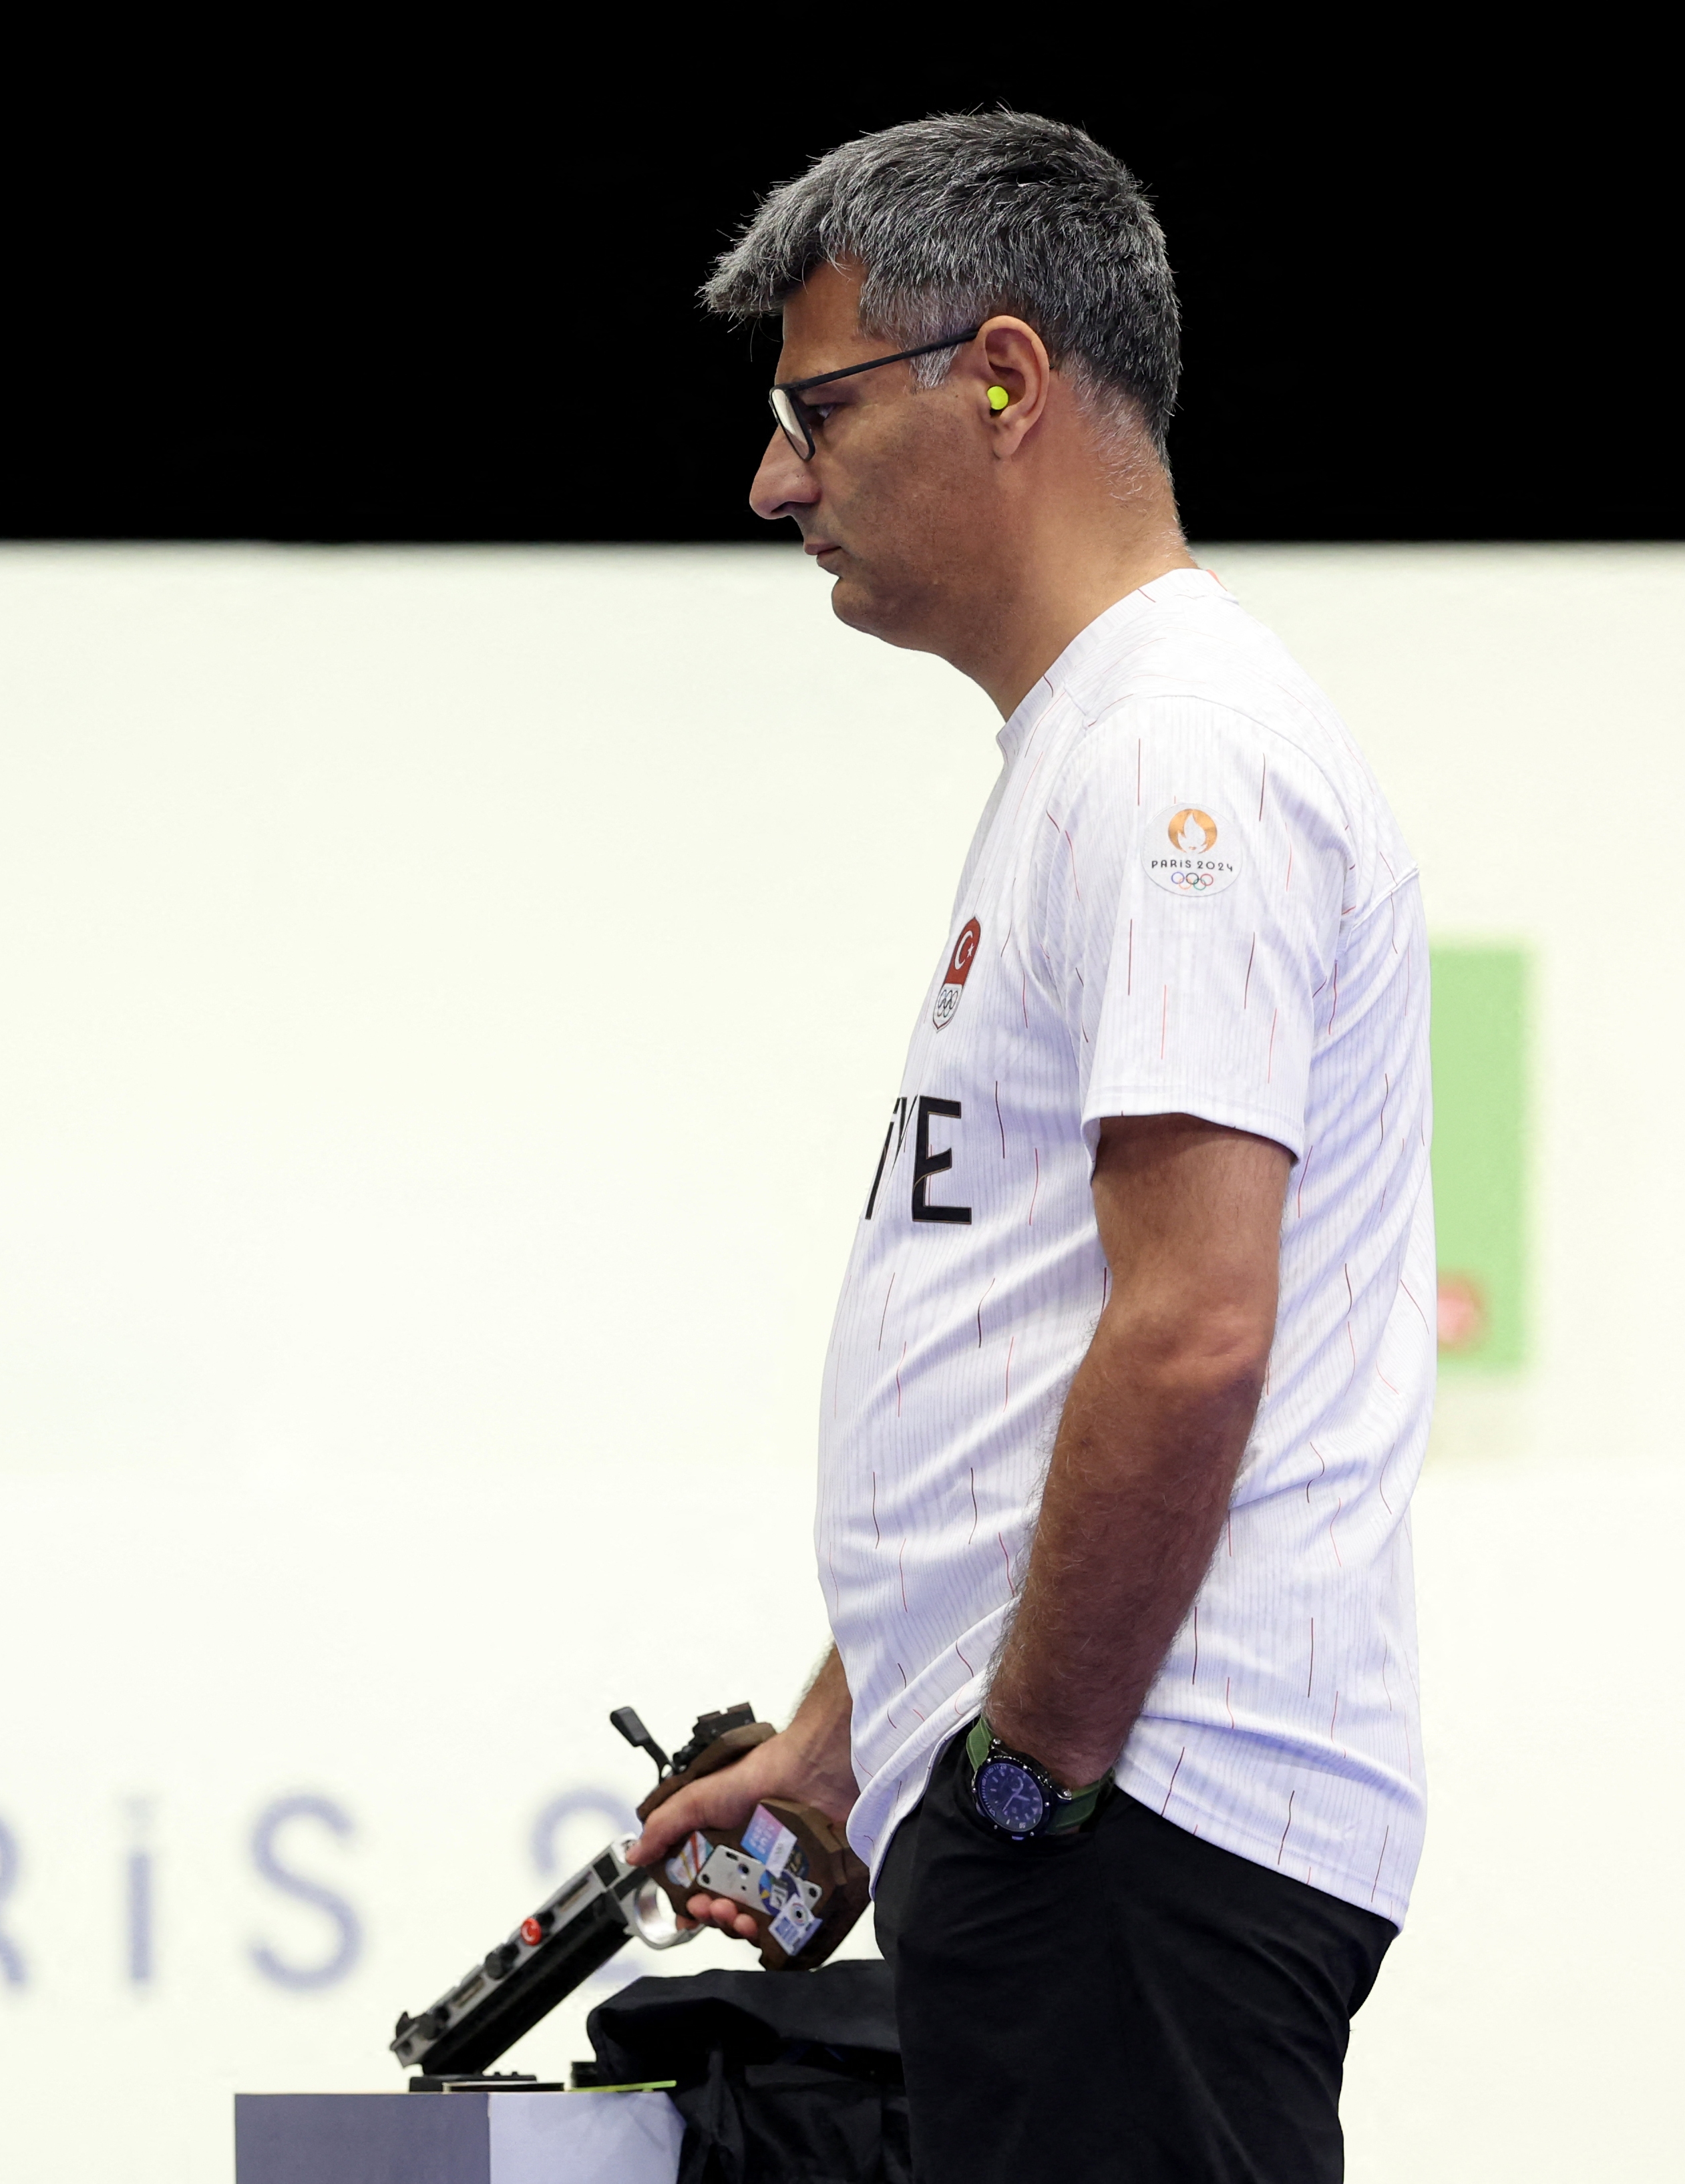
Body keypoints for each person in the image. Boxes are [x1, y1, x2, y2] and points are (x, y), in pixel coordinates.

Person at [627, 113, 1428, 2183]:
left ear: (1001, 379)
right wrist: (842, 1749)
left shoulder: (1174, 752)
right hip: (1089, 1830)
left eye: (816, 412)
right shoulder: (1098, 746)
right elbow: (1034, 1346)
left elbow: (1191, 1333)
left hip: (1127, 1827)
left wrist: (1023, 1777)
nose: (775, 482)